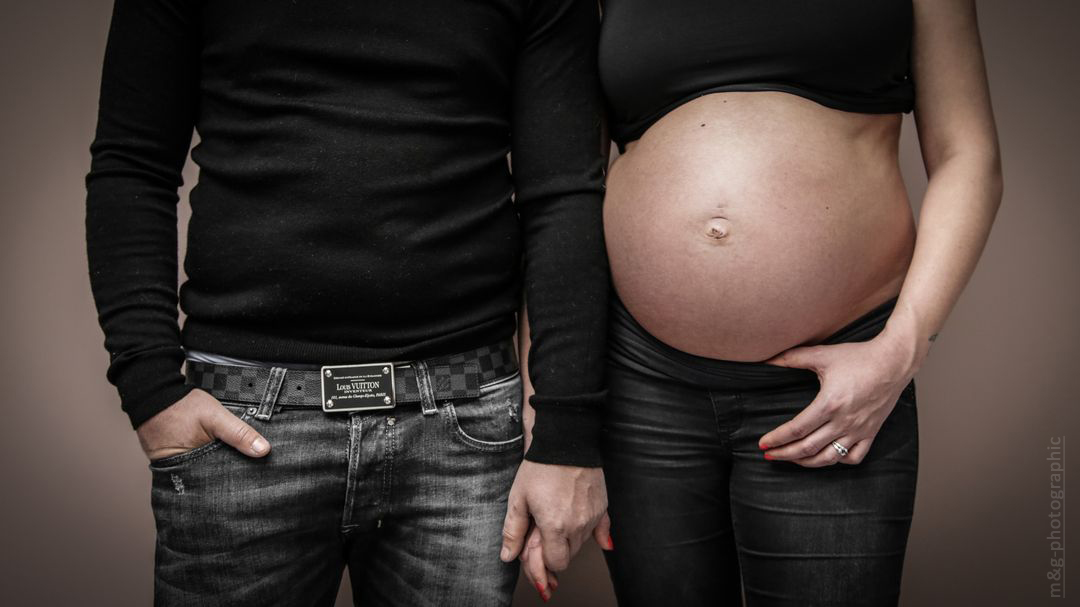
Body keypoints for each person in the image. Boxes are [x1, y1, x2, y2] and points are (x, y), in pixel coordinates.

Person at [84, 1, 612, 605]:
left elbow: (564, 192)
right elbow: (134, 165)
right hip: (243, 417)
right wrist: (150, 388)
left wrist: (569, 432)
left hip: (463, 423)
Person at [518, 0, 1004, 604]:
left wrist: (902, 349)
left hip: (833, 386)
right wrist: (546, 402)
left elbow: (968, 156)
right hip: (640, 386)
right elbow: (564, 193)